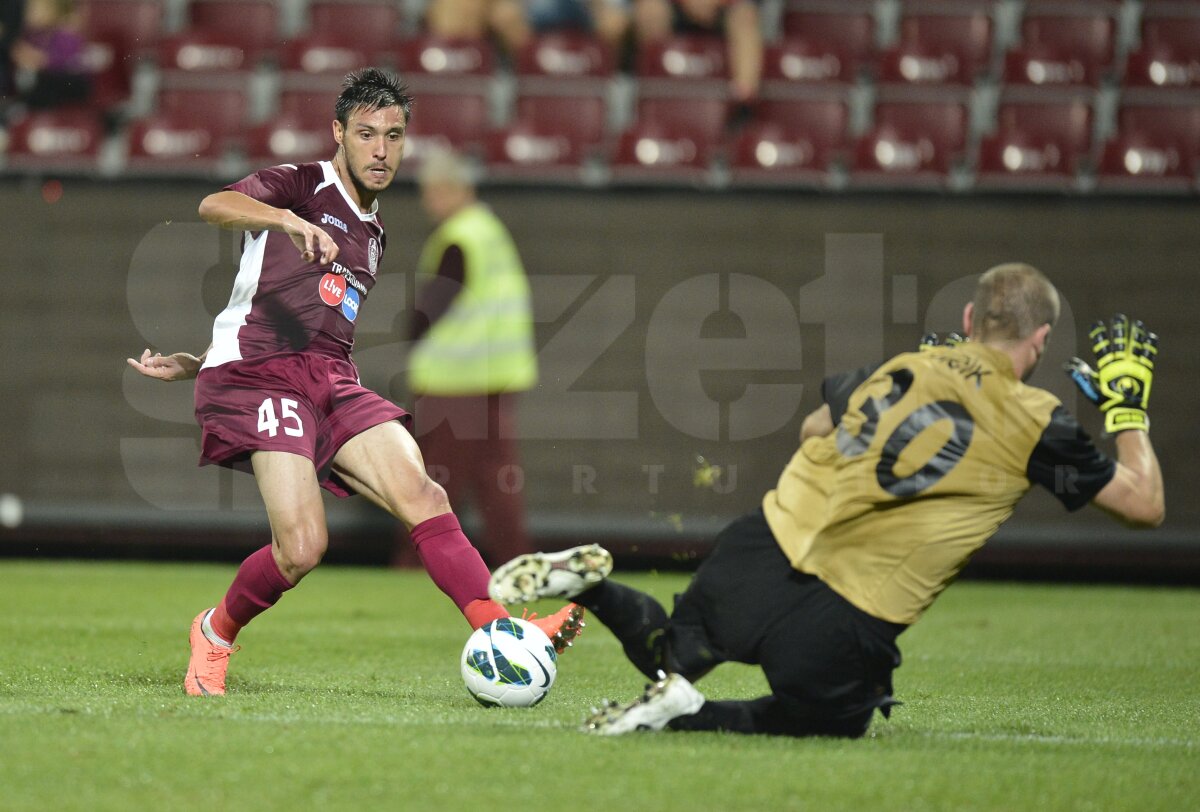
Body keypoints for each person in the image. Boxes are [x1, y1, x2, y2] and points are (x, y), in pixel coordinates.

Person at [488, 263, 1165, 737]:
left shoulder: (905, 365)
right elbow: (1142, 505)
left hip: (768, 543)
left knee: (672, 646)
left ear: (969, 318)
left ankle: (595, 591)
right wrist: (1128, 412)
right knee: (828, 721)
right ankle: (684, 715)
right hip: (852, 607)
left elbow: (816, 427)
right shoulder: (1037, 417)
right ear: (1040, 340)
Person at [126, 68, 583, 698]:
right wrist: (287, 222)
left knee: (425, 495)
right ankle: (215, 630)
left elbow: (292, 307)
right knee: (303, 547)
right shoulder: (302, 185)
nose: (380, 150)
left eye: (393, 137)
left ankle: (505, 632)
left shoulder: (373, 232)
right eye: (366, 134)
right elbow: (214, 205)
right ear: (338, 132)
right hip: (263, 378)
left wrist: (195, 357)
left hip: (331, 376)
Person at [396, 148, 538, 570]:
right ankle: (520, 567)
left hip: (455, 382)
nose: (428, 202)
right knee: (498, 484)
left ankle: (412, 566)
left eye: (433, 192)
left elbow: (433, 305)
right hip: (495, 377)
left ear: (453, 190)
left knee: (432, 483)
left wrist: (410, 337)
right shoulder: (488, 230)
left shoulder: (459, 236)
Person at [632, 0, 762, 104]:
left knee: (746, 15)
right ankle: (651, 94)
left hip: (725, 7)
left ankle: (740, 101)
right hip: (675, 6)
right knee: (650, 10)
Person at [10, 0, 91, 110]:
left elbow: (59, 62)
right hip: (40, 88)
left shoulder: (66, 34)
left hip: (67, 87)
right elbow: (19, 55)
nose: (30, 14)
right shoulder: (33, 35)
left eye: (36, 10)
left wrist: (36, 58)